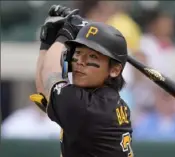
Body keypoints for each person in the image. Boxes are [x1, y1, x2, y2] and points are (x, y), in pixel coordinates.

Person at [30, 6, 133, 157]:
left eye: (92, 57)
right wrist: (48, 42)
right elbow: (45, 90)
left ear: (115, 70)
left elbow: (50, 75)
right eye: (78, 53)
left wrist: (64, 35)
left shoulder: (89, 107)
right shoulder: (101, 99)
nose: (80, 61)